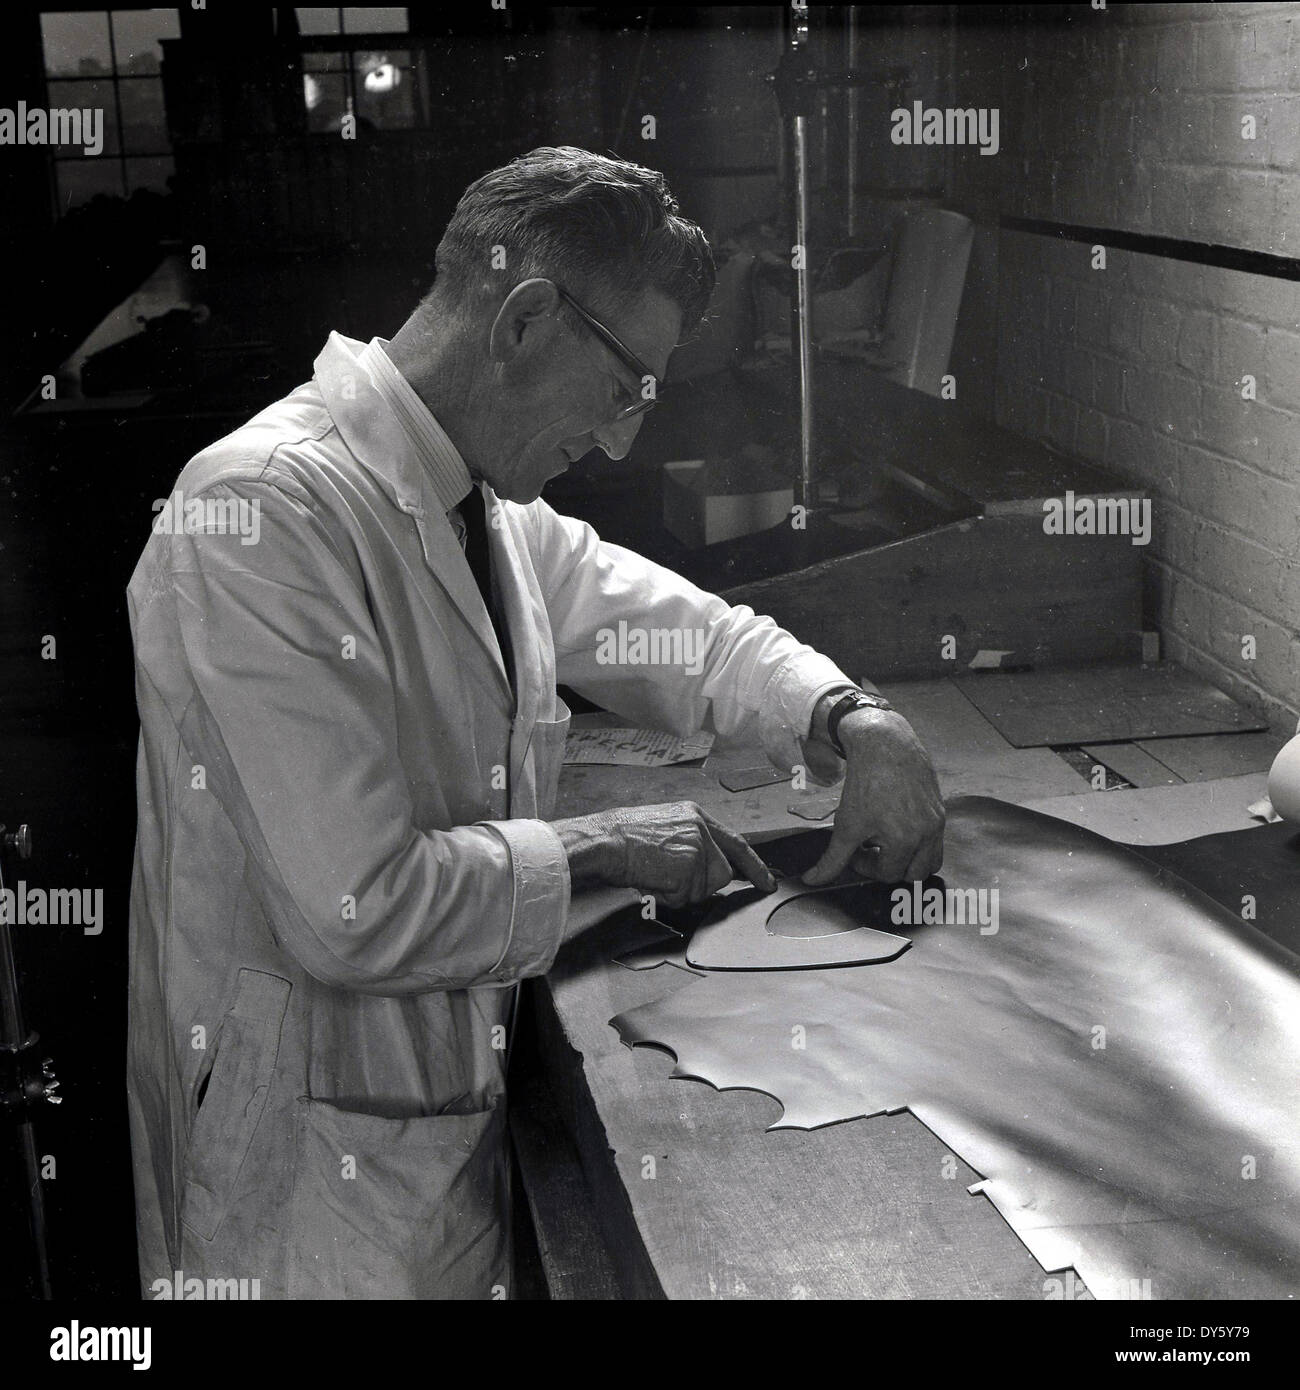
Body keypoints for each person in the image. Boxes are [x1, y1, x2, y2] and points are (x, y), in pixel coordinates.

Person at [126, 146, 945, 1300]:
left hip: (428, 1123)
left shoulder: (482, 505)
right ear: (522, 320)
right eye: (623, 390)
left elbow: (676, 630)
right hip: (294, 1173)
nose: (619, 439)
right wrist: (605, 846)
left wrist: (854, 717)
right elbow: (357, 908)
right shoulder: (262, 514)